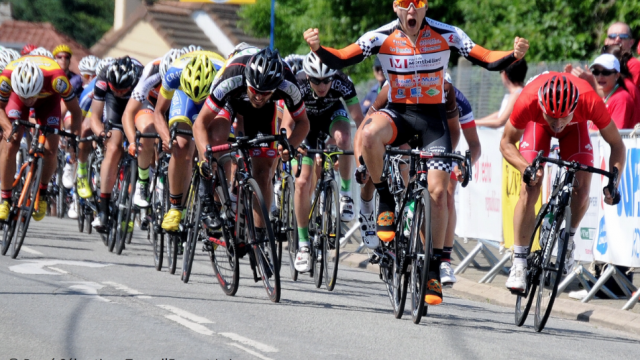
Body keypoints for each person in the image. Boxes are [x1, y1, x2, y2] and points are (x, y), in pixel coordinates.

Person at [304, 0, 528, 306]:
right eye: (404, 4)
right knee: (368, 133)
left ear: (425, 8)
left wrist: (513, 56)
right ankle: (384, 197)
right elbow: (343, 57)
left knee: (438, 193)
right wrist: (318, 49)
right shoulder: (381, 37)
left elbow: (487, 58)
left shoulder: (446, 34)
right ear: (396, 8)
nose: (412, 9)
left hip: (433, 122)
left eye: (418, 3)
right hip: (398, 115)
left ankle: (434, 268)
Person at [500, 72, 625, 292]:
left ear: (575, 106)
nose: (557, 123)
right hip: (537, 126)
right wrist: (526, 169)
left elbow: (617, 145)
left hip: (575, 129)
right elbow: (506, 143)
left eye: (562, 117)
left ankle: (568, 240)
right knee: (529, 187)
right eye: (552, 117)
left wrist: (615, 182)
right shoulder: (528, 100)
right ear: (541, 104)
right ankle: (519, 262)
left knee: (582, 191)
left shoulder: (590, 100)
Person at [193, 47, 310, 247]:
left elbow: (303, 123)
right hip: (232, 99)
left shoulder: (287, 84)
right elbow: (199, 124)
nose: (258, 96)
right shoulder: (232, 77)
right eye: (255, 90)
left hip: (264, 112)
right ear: (248, 80)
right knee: (217, 137)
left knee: (263, 173)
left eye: (265, 93)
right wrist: (206, 157)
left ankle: (259, 237)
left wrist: (289, 146)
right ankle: (209, 199)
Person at [282, 52, 364, 272]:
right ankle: (303, 245)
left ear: (333, 77)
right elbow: (288, 124)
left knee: (345, 139)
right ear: (307, 77)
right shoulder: (297, 85)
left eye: (326, 80)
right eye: (316, 80)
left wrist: (365, 152)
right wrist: (292, 147)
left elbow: (359, 120)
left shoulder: (342, 82)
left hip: (331, 118)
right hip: (304, 124)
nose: (322, 85)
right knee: (302, 182)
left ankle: (345, 195)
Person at [0, 56, 83, 221]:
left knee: (51, 150)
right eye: (26, 97)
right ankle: (5, 199)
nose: (29, 101)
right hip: (16, 101)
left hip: (48, 102)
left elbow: (76, 112)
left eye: (31, 96)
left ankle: (42, 192)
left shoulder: (58, 79)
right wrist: (9, 129)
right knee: (11, 142)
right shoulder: (7, 77)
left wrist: (74, 139)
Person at [152, 49, 226, 232]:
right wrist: (167, 138)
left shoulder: (224, 74)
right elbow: (159, 112)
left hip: (215, 95)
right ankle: (176, 208)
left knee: (217, 146)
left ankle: (216, 207)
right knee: (181, 146)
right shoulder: (173, 75)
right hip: (185, 95)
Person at [122, 48, 183, 209]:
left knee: (180, 140)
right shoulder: (152, 72)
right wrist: (131, 142)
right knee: (148, 133)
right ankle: (142, 182)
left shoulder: (186, 75)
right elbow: (128, 113)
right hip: (150, 103)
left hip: (174, 106)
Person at [89, 56, 144, 232]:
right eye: (116, 89)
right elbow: (95, 118)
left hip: (136, 104)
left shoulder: (142, 78)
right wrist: (102, 134)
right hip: (114, 109)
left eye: (123, 90)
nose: (119, 92)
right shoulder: (104, 78)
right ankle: (103, 209)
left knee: (145, 142)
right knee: (113, 146)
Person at [475, 59, 528, 128]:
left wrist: (469, 124)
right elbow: (501, 114)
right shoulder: (522, 92)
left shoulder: (516, 95)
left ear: (505, 74)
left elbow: (500, 122)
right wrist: (475, 122)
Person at [589, 54, 637, 130]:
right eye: (596, 72)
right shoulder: (606, 96)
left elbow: (616, 135)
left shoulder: (621, 99)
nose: (600, 76)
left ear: (617, 76)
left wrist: (588, 132)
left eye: (606, 72)